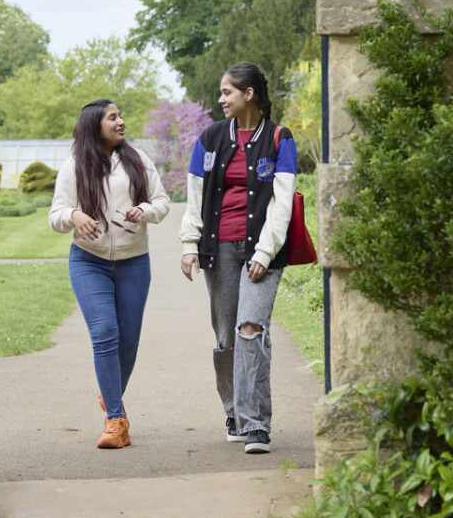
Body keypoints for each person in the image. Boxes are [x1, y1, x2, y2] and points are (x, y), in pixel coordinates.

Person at [180, 62, 296, 454]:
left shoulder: (280, 138)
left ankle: (256, 425)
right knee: (226, 338)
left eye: (226, 92)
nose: (220, 99)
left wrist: (265, 250)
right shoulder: (210, 138)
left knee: (251, 330)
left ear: (248, 94)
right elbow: (194, 198)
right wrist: (188, 244)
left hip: (262, 251)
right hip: (219, 249)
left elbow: (282, 205)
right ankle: (234, 412)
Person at [50, 99, 170, 449]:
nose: (121, 122)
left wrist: (143, 211)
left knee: (128, 342)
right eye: (112, 117)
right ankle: (115, 419)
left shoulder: (138, 160)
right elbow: (55, 214)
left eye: (120, 116)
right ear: (94, 125)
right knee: (105, 333)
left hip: (134, 261)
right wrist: (74, 215)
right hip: (89, 261)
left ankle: (110, 394)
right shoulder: (74, 165)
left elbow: (162, 203)